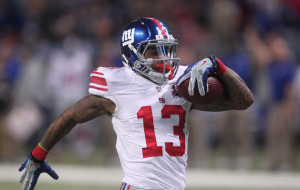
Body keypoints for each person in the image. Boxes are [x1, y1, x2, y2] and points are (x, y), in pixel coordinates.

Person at [18, 17, 253, 190]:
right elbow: (71, 116)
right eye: (154, 51)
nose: (164, 57)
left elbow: (244, 101)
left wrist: (217, 65)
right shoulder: (117, 84)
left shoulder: (182, 81)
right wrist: (38, 154)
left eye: (166, 49)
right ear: (132, 55)